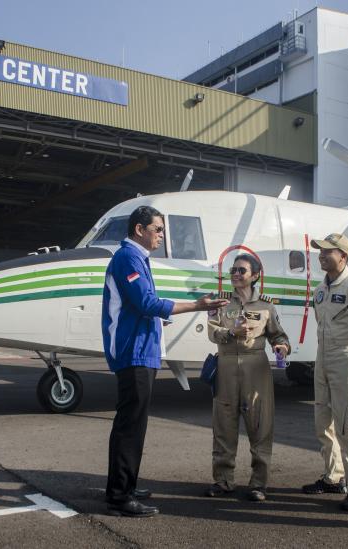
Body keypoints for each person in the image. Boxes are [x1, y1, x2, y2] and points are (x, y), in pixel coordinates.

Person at [102, 205, 228, 518]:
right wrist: (197, 305)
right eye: (158, 229)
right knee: (130, 426)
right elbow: (146, 302)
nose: (162, 235)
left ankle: (127, 486)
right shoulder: (128, 258)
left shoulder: (137, 258)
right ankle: (119, 496)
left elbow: (139, 308)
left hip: (141, 349)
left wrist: (159, 321)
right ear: (139, 230)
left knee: (135, 424)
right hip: (133, 352)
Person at [301, 233, 348, 511]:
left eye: (327, 251)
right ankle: (333, 477)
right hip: (323, 357)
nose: (321, 255)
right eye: (320, 251)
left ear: (343, 256)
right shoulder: (321, 289)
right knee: (324, 419)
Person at [206, 253, 291, 502]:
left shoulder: (266, 306)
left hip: (256, 368)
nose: (235, 274)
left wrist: (282, 348)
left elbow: (279, 335)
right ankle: (222, 480)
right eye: (233, 269)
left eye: (241, 270)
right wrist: (232, 331)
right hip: (226, 367)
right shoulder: (220, 304)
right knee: (223, 424)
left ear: (254, 276)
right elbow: (213, 333)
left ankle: (258, 483)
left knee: (260, 424)